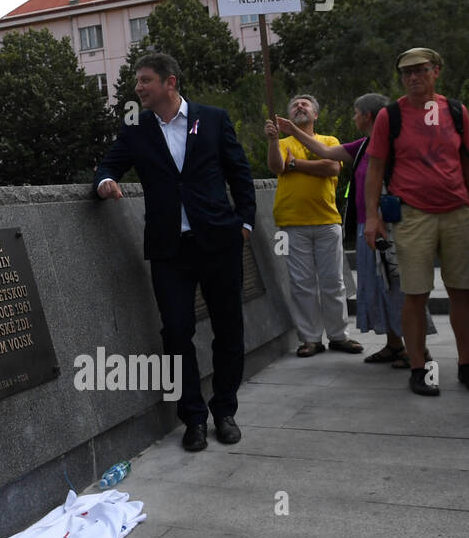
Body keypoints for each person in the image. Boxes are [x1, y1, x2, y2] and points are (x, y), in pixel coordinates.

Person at [95, 53, 255, 451]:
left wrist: (246, 223)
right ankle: (194, 419)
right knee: (177, 332)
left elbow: (240, 172)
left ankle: (225, 411)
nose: (138, 88)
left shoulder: (213, 119)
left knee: (229, 328)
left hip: (219, 242)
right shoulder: (136, 128)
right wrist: (105, 182)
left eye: (146, 80)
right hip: (169, 250)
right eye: (137, 82)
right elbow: (107, 166)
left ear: (170, 83)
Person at [364, 48, 469, 396]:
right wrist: (372, 217)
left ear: (436, 71)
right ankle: (419, 369)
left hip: (457, 211)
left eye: (420, 71)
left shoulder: (457, 112)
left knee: (462, 292)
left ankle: (466, 366)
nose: (413, 78)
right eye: (407, 73)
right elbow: (374, 167)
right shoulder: (391, 116)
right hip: (413, 213)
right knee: (415, 294)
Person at [274, 94, 422, 367]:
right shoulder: (365, 144)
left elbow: (331, 165)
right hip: (366, 226)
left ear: (367, 116)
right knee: (377, 285)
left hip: (388, 226)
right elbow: (324, 155)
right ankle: (393, 345)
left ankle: (414, 352)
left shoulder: (393, 144)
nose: (353, 117)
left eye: (355, 112)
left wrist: (294, 164)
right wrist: (288, 131)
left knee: (394, 286)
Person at [264, 95, 364, 357]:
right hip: (291, 222)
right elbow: (276, 166)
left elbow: (331, 167)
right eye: (295, 104)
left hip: (327, 220)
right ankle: (310, 339)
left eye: (305, 104)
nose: (299, 106)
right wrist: (274, 140)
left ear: (316, 115)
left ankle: (339, 336)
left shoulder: (328, 141)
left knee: (333, 281)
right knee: (301, 283)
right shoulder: (282, 142)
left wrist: (294, 164)